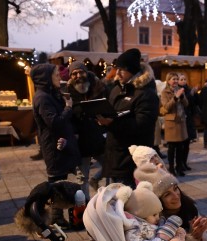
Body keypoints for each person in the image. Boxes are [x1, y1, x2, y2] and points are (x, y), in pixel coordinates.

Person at [97, 48, 159, 189]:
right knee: (117, 200)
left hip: (132, 159)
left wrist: (112, 123)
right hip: (115, 154)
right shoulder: (117, 89)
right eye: (117, 68)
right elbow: (112, 113)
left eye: (122, 69)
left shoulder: (146, 93)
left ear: (132, 70)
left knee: (129, 201)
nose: (117, 73)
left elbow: (143, 125)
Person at [30, 63, 81, 228]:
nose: (60, 77)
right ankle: (40, 218)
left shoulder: (50, 94)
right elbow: (54, 122)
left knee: (59, 183)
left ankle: (56, 217)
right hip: (53, 148)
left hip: (60, 146)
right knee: (55, 183)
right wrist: (68, 108)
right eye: (56, 74)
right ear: (46, 78)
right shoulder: (42, 98)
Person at [133, 162, 207, 241]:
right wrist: (194, 238)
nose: (176, 196)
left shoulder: (188, 206)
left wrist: (200, 236)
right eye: (167, 194)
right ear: (157, 201)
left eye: (175, 188)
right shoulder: (156, 221)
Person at [115, 181, 184, 241]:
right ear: (141, 216)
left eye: (158, 213)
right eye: (154, 215)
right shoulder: (132, 232)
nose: (158, 218)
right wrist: (165, 234)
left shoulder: (152, 223)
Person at [66, 61, 107, 199]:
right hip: (81, 141)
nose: (78, 75)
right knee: (82, 177)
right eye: (74, 73)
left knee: (111, 165)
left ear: (86, 72)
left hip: (98, 137)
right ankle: (85, 207)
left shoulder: (98, 87)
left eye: (80, 72)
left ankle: (99, 184)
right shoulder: (68, 92)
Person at [160, 72, 188, 177]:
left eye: (177, 79)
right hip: (171, 122)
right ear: (168, 81)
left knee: (181, 147)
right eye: (173, 79)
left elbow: (186, 104)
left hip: (181, 122)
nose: (176, 81)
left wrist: (182, 96)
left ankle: (179, 167)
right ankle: (171, 168)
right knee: (172, 148)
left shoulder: (179, 90)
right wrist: (175, 98)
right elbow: (166, 107)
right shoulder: (165, 92)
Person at [178, 72, 198, 170]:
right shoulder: (177, 90)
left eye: (184, 79)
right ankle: (179, 163)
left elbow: (193, 103)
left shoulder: (189, 89)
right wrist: (190, 94)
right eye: (181, 79)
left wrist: (194, 93)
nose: (183, 81)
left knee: (187, 143)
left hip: (188, 118)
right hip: (181, 118)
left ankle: (184, 162)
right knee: (181, 143)